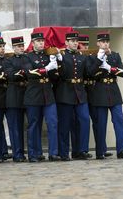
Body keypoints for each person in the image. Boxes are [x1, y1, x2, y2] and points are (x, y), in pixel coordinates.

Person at [88, 32, 123, 159]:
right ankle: (100, 151)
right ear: (98, 43)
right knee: (101, 123)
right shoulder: (92, 57)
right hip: (100, 91)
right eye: (102, 42)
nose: (105, 44)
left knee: (118, 120)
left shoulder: (115, 56)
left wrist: (109, 67)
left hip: (114, 90)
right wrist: (98, 59)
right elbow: (90, 73)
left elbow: (122, 72)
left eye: (107, 42)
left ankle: (122, 150)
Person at [23, 32, 61, 162]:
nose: (41, 43)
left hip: (48, 95)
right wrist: (47, 68)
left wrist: (56, 66)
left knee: (53, 123)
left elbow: (55, 77)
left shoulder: (47, 56)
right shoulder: (27, 57)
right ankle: (34, 154)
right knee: (34, 125)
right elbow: (30, 74)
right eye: (38, 41)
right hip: (33, 95)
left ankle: (53, 153)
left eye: (42, 41)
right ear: (32, 43)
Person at [55, 32, 91, 161]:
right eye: (72, 41)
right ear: (66, 43)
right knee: (65, 124)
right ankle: (64, 152)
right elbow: (61, 74)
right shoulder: (63, 56)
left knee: (84, 121)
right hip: (65, 92)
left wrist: (99, 60)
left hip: (80, 93)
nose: (75, 43)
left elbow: (88, 73)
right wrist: (60, 59)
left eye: (76, 41)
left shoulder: (82, 57)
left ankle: (81, 150)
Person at [77, 34, 112, 158]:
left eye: (86, 44)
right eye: (82, 44)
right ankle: (82, 150)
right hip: (82, 90)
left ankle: (101, 148)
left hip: (94, 90)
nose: (85, 47)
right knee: (83, 120)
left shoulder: (92, 56)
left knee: (98, 121)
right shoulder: (78, 57)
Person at [5, 36, 27, 162]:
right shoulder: (9, 61)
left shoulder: (27, 58)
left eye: (22, 46)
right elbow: (11, 75)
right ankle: (17, 153)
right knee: (15, 127)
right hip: (14, 96)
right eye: (18, 46)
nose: (21, 48)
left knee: (28, 126)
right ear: (13, 48)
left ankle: (27, 151)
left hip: (27, 94)